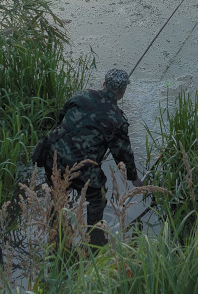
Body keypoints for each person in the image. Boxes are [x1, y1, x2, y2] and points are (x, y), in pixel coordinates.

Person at [34, 68, 140, 245]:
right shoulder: (117, 118)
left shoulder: (80, 96)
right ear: (122, 92)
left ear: (104, 84)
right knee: (97, 198)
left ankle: (57, 233)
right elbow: (122, 155)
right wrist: (134, 178)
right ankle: (94, 238)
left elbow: (61, 119)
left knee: (57, 194)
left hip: (52, 156)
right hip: (82, 166)